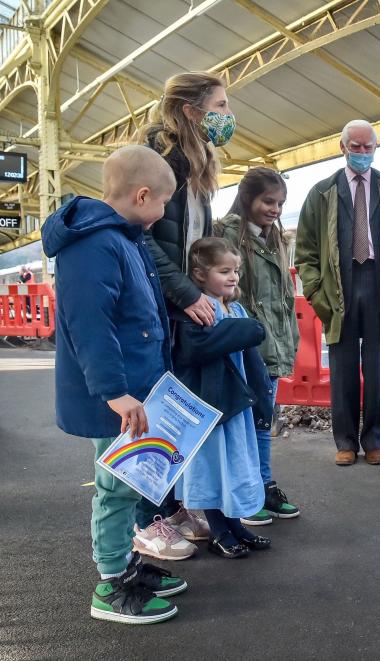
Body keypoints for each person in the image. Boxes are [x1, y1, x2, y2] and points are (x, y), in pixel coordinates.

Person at [41, 145, 186, 624]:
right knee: (117, 483)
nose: (163, 212)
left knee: (131, 478)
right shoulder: (97, 243)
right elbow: (90, 324)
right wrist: (115, 392)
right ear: (142, 195)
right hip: (119, 395)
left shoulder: (120, 238)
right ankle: (110, 582)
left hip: (135, 388)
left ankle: (125, 563)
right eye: (163, 202)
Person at [133, 71, 236, 558]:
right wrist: (184, 294)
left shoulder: (196, 165)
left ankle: (171, 507)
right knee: (156, 411)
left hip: (184, 302)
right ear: (191, 111)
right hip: (163, 305)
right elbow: (145, 237)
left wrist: (211, 286)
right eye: (219, 104)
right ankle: (149, 520)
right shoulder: (159, 159)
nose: (227, 115)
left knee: (178, 410)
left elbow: (196, 240)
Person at [295, 119, 380, 467]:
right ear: (343, 147)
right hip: (339, 288)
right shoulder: (321, 193)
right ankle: (345, 441)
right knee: (342, 368)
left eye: (369, 147)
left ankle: (375, 439)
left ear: (376, 149)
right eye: (356, 147)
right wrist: (316, 290)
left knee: (378, 366)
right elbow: (305, 250)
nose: (363, 153)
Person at [173, 237, 273, 559]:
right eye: (224, 271)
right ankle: (218, 530)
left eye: (236, 271)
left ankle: (236, 526)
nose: (233, 277)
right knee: (214, 466)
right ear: (200, 275)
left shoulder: (236, 307)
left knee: (233, 465)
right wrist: (250, 329)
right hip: (214, 403)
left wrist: (261, 397)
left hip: (237, 403)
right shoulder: (202, 308)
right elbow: (207, 346)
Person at [215, 167, 302, 525]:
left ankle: (262, 486)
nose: (275, 209)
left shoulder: (276, 238)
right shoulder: (227, 234)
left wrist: (289, 339)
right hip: (245, 344)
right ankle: (251, 491)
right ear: (248, 198)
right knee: (248, 423)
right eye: (269, 201)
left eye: (280, 203)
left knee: (263, 420)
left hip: (272, 344)